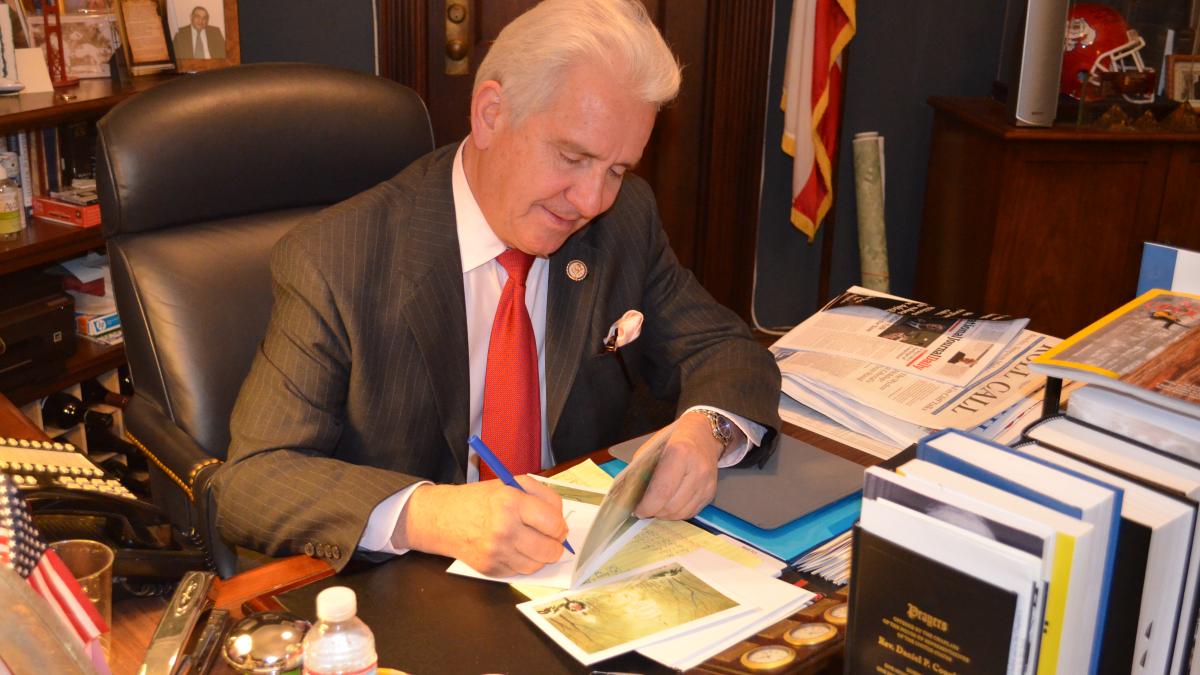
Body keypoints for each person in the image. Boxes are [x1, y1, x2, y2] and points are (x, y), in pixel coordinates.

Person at [212, 0, 781, 577]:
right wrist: (428, 514)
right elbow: (252, 479)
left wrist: (706, 432)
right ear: (490, 114)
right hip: (413, 580)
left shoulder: (623, 220)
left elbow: (723, 349)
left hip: (576, 564)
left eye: (617, 170)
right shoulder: (335, 259)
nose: (592, 201)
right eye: (573, 156)